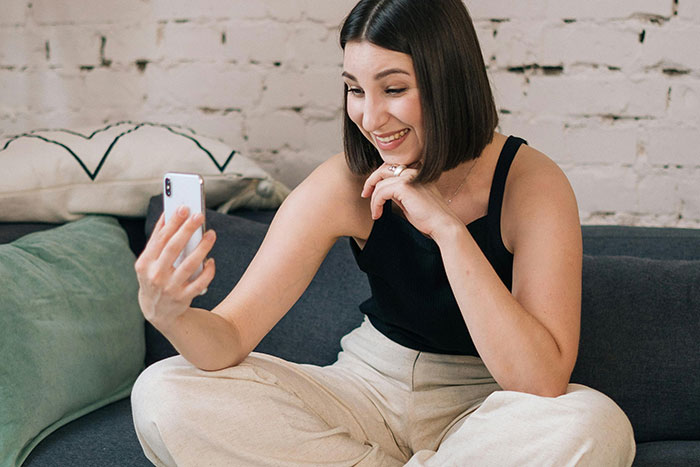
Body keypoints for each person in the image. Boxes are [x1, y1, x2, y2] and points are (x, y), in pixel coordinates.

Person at [131, 0, 636, 465]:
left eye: (394, 89)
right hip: (365, 393)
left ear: (449, 83)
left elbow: (540, 381)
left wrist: (447, 230)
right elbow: (230, 337)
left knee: (595, 426)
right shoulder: (344, 181)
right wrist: (170, 316)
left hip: (487, 412)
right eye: (355, 89)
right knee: (163, 390)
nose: (370, 118)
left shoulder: (533, 185)